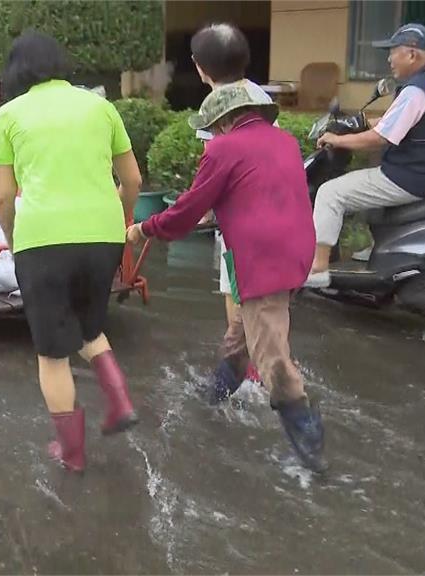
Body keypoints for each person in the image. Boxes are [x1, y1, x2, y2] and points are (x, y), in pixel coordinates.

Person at [127, 83, 327, 473]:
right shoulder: (284, 142)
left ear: (225, 121)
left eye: (214, 127)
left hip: (262, 260)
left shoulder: (224, 147)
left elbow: (186, 210)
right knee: (240, 337)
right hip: (296, 253)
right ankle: (211, 400)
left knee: (273, 360)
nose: (213, 135)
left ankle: (311, 454)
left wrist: (143, 229)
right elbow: (260, 194)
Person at [0, 31, 142, 472]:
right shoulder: (100, 106)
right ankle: (120, 400)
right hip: (103, 235)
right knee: (90, 326)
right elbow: (132, 181)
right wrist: (123, 220)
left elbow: (1, 197)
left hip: (44, 239)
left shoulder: (9, 115)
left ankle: (71, 453)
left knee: (53, 353)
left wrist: (16, 242)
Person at [306, 23, 425, 287]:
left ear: (412, 55)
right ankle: (374, 247)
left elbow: (381, 139)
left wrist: (337, 139)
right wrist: (371, 120)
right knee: (363, 184)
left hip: (409, 176)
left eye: (393, 52)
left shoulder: (415, 90)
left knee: (331, 193)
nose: (389, 59)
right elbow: (415, 121)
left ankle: (317, 267)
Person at [190, 23, 274, 394]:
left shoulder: (215, 105)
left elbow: (214, 163)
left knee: (235, 291)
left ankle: (246, 371)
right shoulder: (259, 94)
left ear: (199, 67)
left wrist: (201, 207)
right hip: (272, 208)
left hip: (241, 220)